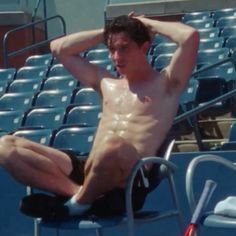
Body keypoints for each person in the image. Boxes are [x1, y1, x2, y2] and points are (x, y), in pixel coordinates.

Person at [0, 13, 199, 219]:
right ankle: (79, 197)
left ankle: (74, 206)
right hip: (91, 169)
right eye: (112, 49)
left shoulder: (166, 84)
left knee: (112, 144)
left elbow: (190, 36)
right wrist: (108, 32)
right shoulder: (106, 82)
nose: (116, 57)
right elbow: (58, 48)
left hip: (129, 179)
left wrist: (145, 23)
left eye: (124, 48)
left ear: (143, 47)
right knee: (6, 146)